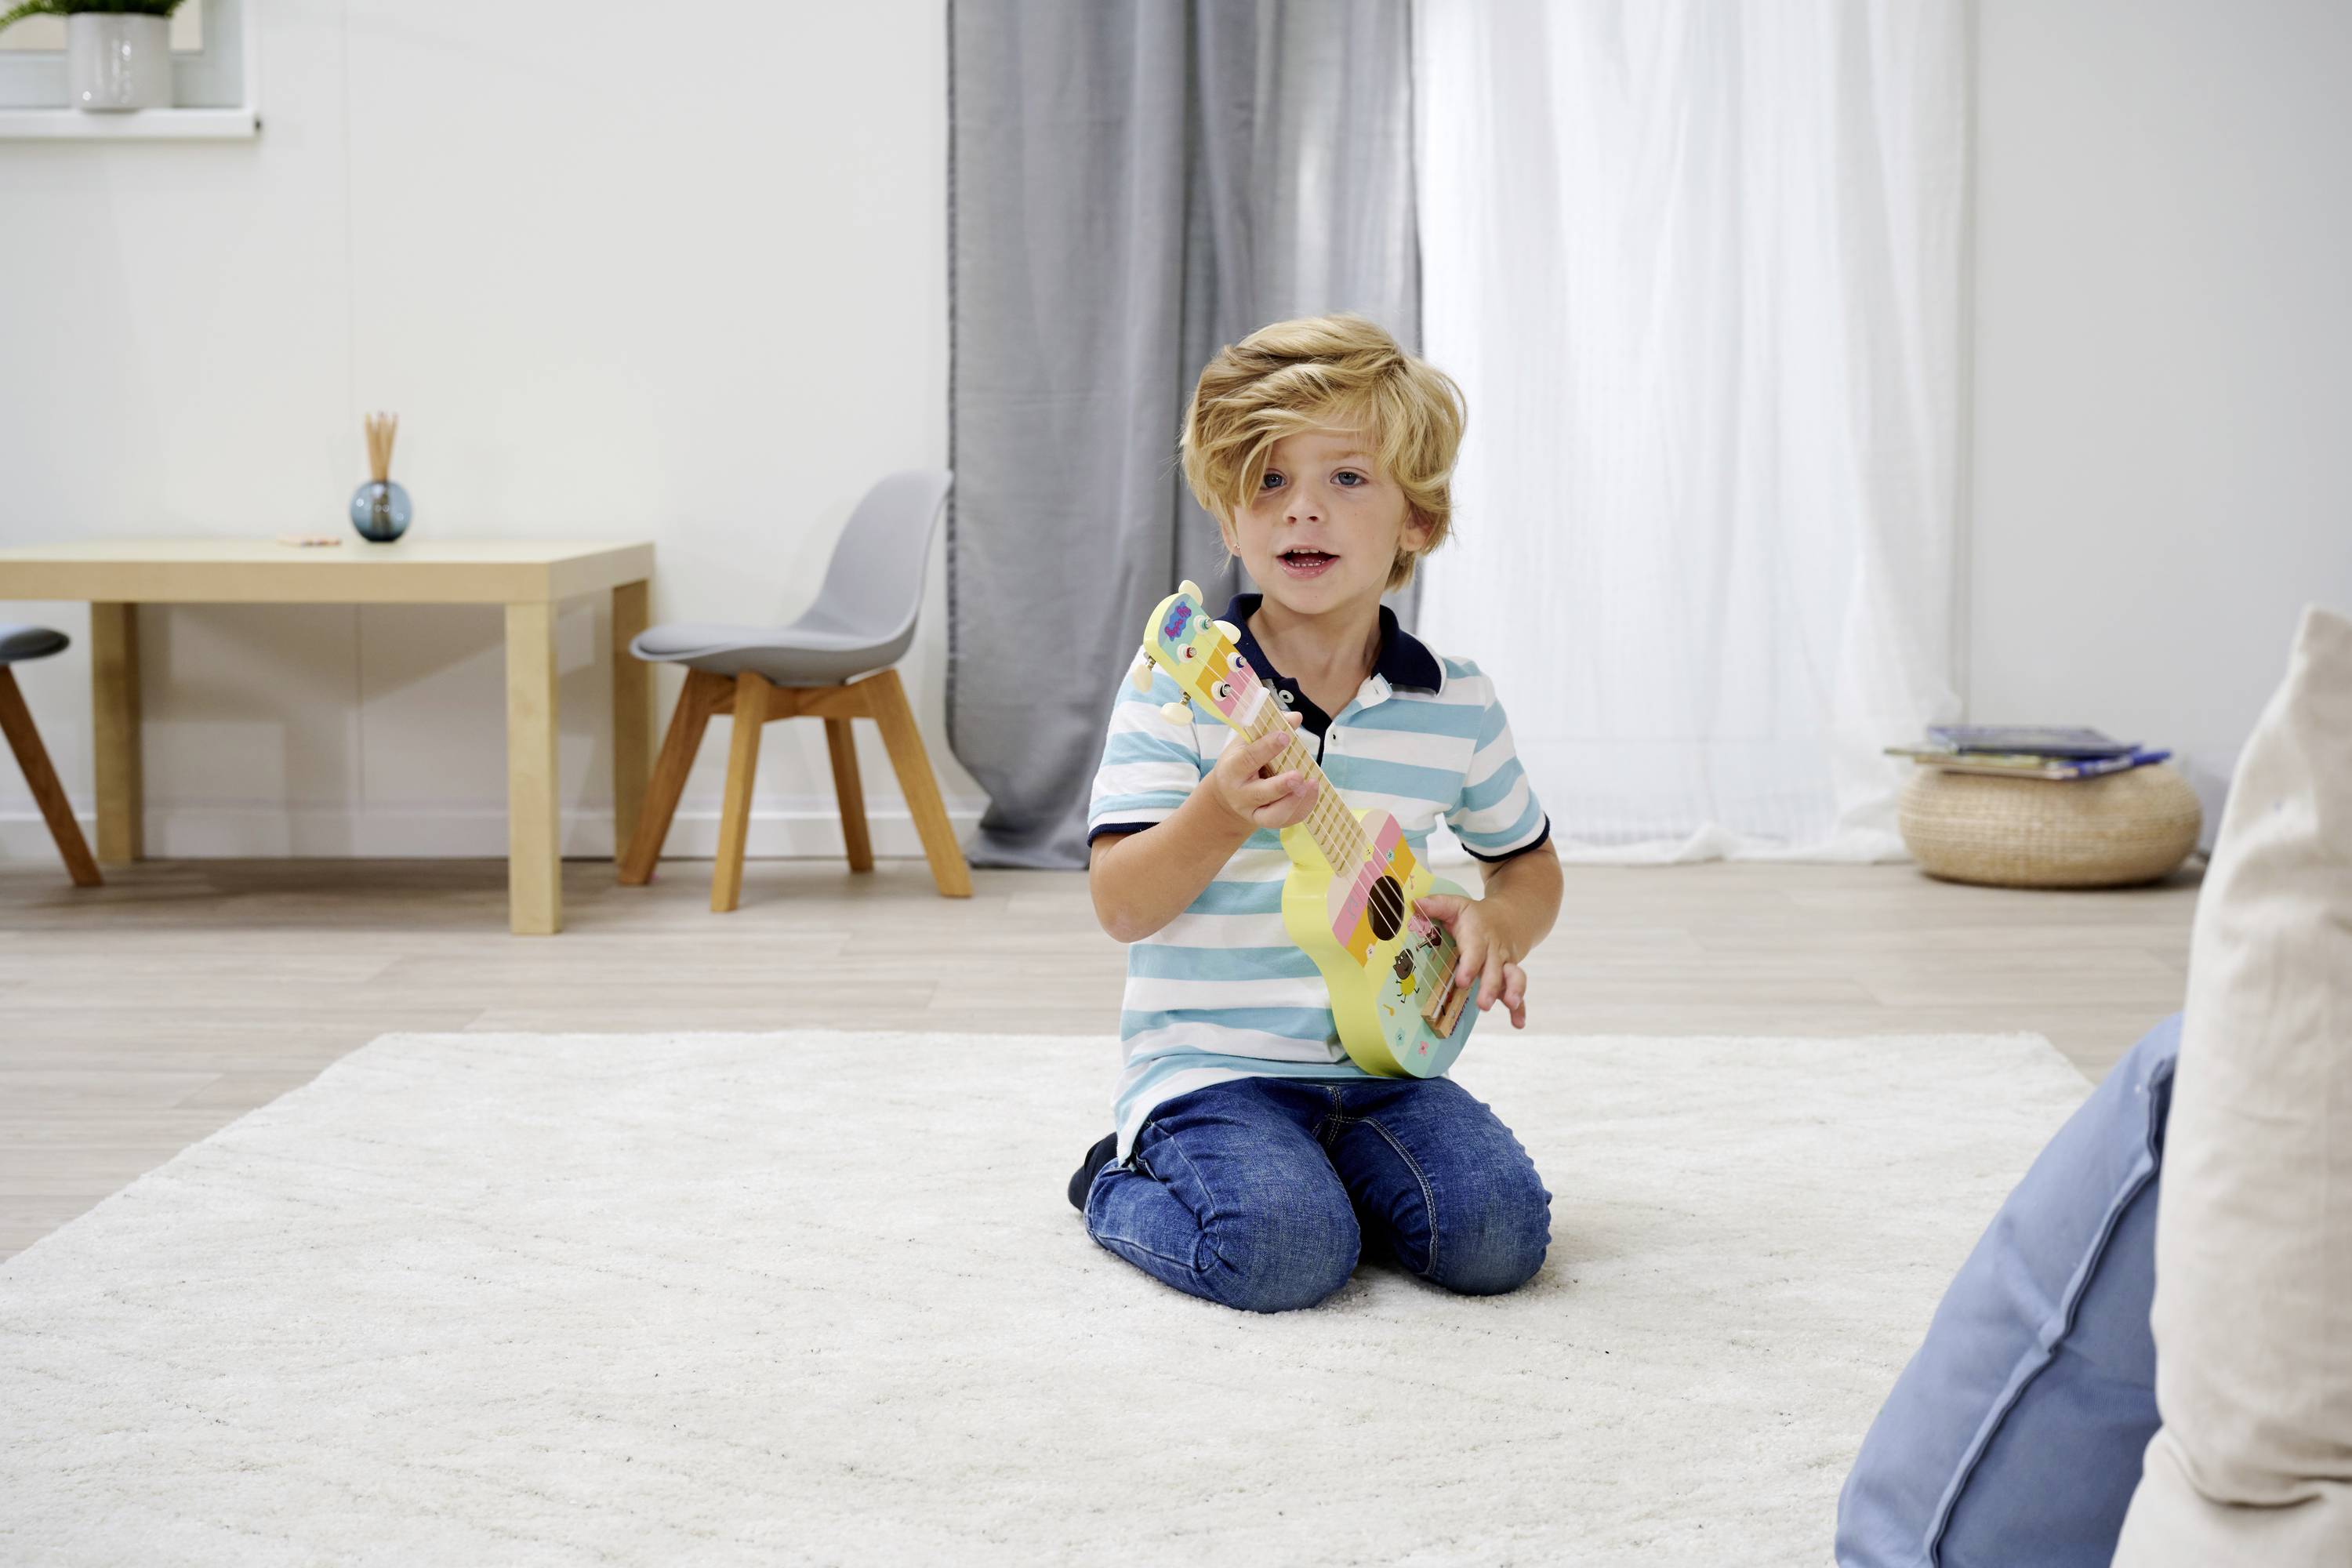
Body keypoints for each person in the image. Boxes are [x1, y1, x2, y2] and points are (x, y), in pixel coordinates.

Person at [1073, 313, 1565, 1312]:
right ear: (1228, 521)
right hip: (1211, 1067)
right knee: (1288, 1255)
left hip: (1388, 1062)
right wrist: (1219, 810)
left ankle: (1325, 1183)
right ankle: (1118, 1177)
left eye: (1346, 479)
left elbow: (1529, 865)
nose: (1302, 511)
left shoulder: (1453, 700)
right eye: (1268, 481)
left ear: (1416, 522)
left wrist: (1497, 925)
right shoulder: (1183, 684)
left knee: (1499, 1239)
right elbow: (1122, 905)